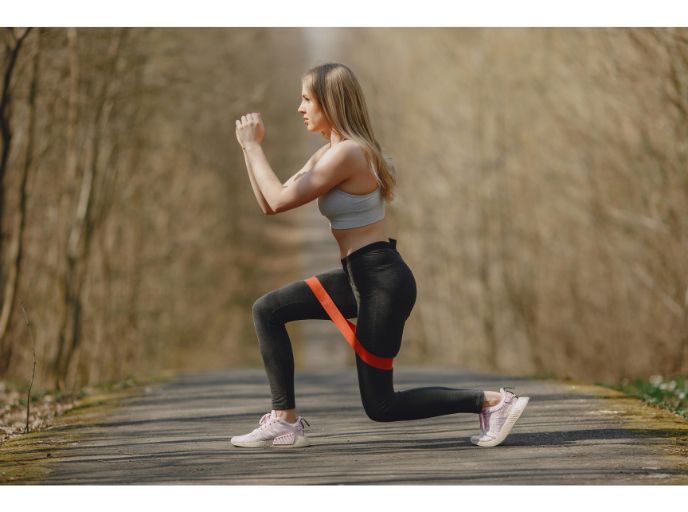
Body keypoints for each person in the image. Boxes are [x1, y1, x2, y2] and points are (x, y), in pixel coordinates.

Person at [231, 62, 529, 449]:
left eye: (307, 99)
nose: (299, 107)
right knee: (267, 309)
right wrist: (247, 150)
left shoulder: (348, 155)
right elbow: (270, 204)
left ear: (331, 102)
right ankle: (284, 420)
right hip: (361, 277)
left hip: (381, 280)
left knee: (382, 405)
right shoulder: (329, 153)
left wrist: (253, 146)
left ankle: (494, 401)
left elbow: (278, 198)